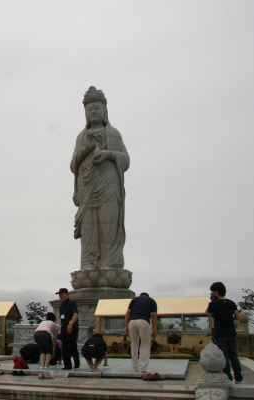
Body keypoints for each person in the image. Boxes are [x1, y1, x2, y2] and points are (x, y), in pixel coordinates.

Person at [70, 86, 129, 271]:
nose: (93, 111)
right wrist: (86, 149)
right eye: (89, 109)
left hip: (108, 188)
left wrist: (109, 155)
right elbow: (73, 166)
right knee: (89, 234)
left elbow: (125, 160)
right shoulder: (82, 136)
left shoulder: (113, 134)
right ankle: (89, 267)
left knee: (108, 230)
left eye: (97, 108)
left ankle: (110, 266)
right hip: (87, 190)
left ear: (105, 111)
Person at [206, 281, 243, 383]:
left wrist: (212, 301)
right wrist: (229, 319)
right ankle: (238, 378)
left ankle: (228, 378)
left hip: (220, 333)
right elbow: (238, 317)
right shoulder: (231, 303)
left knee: (224, 356)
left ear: (216, 291)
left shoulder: (213, 304)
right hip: (231, 332)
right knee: (234, 356)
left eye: (212, 291)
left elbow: (207, 313)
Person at [125, 292, 157, 373]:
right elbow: (154, 315)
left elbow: (128, 312)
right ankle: (142, 368)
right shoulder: (151, 301)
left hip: (132, 322)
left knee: (134, 345)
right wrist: (155, 330)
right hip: (143, 321)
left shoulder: (134, 300)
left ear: (140, 296)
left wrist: (126, 326)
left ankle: (135, 367)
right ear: (147, 296)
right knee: (145, 345)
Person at [56, 288, 79, 369]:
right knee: (65, 347)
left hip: (72, 328)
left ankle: (76, 363)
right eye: (59, 295)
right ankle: (67, 365)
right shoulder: (61, 306)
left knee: (72, 346)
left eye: (62, 294)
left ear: (67, 294)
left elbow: (75, 314)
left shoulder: (71, 303)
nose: (60, 296)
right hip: (64, 328)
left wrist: (70, 324)